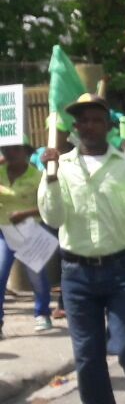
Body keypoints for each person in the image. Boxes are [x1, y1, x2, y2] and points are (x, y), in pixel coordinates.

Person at [38, 93, 125, 404]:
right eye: (82, 121)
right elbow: (53, 218)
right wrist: (51, 177)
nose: (89, 126)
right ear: (74, 128)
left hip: (122, 268)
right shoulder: (59, 166)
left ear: (108, 125)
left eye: (96, 119)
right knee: (87, 355)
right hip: (76, 273)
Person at [0, 141, 54, 335]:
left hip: (29, 232)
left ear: (26, 152)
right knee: (0, 273)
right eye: (6, 149)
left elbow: (48, 207)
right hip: (4, 232)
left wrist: (24, 214)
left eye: (16, 149)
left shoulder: (37, 177)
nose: (10, 153)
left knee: (36, 277)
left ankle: (42, 312)